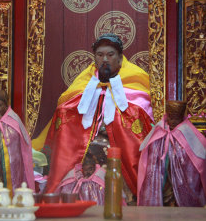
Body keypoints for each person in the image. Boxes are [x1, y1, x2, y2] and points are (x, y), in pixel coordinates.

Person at [41, 33, 154, 201]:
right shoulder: (85, 85)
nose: (105, 59)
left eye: (110, 54)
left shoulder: (133, 84)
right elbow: (66, 109)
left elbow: (140, 117)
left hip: (116, 149)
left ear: (120, 59)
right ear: (95, 59)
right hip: (84, 147)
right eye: (100, 55)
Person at [137, 100, 206, 206]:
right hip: (162, 179)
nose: (172, 121)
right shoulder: (159, 131)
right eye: (171, 117)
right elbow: (149, 157)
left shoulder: (188, 132)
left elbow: (199, 157)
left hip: (183, 182)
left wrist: (179, 158)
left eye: (176, 118)